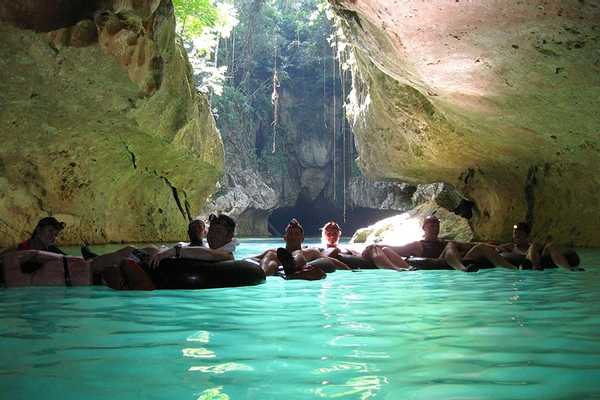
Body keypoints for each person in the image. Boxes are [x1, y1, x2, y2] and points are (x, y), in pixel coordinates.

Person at [2, 217, 152, 287]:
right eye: (50, 232)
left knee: (125, 253)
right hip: (67, 280)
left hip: (78, 271)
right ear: (38, 230)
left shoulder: (51, 250)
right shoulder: (20, 250)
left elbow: (69, 262)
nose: (53, 237)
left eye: (55, 234)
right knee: (123, 255)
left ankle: (146, 258)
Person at [105, 214, 239, 290]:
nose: (212, 235)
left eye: (219, 232)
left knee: (142, 251)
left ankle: (102, 271)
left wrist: (172, 252)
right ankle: (97, 267)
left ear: (229, 237)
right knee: (137, 250)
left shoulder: (226, 255)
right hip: (171, 272)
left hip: (171, 276)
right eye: (212, 231)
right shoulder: (211, 247)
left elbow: (209, 254)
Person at [362, 215, 517, 272]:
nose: (435, 226)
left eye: (436, 224)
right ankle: (463, 270)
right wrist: (374, 246)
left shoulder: (446, 242)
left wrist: (498, 247)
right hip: (440, 262)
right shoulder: (418, 245)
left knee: (482, 247)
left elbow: (472, 245)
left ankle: (513, 269)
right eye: (431, 224)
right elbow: (394, 249)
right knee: (450, 246)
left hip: (451, 259)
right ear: (424, 227)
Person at [252, 219, 344, 279]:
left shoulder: (311, 252)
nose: (293, 237)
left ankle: (291, 267)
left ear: (302, 238)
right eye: (290, 234)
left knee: (298, 254)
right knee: (271, 256)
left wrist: (351, 270)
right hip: (277, 265)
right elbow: (252, 259)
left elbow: (331, 261)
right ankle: (264, 274)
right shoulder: (273, 252)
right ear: (285, 237)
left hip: (298, 265)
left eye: (296, 234)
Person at [496, 222, 582, 271]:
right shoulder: (510, 246)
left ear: (526, 236)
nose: (516, 237)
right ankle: (536, 266)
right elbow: (497, 249)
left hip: (535, 259)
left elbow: (545, 248)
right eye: (515, 234)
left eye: (519, 235)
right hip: (524, 263)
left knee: (548, 245)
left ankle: (567, 268)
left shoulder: (533, 245)